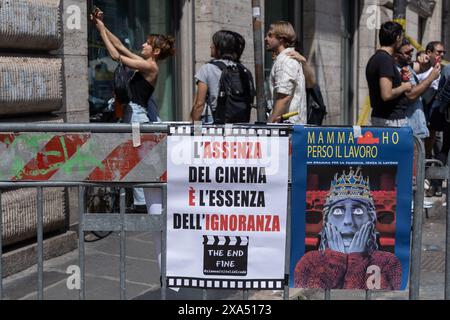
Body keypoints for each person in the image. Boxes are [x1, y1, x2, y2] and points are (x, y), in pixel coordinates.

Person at [91, 9, 174, 271]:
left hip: (136, 116)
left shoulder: (150, 66)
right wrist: (101, 25)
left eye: (147, 43)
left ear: (156, 52)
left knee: (139, 159)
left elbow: (116, 55)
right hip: (133, 113)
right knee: (137, 158)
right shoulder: (145, 61)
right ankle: (140, 202)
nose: (142, 45)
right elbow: (119, 46)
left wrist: (101, 30)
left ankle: (142, 205)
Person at [294, 167, 402, 290]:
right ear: (326, 220)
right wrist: (336, 259)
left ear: (371, 219)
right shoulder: (308, 262)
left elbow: (381, 296)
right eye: (338, 211)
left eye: (358, 210)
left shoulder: (389, 262)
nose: (348, 221)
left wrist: (357, 261)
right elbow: (313, 295)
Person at [190, 30, 254, 124]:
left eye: (213, 43)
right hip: (238, 123)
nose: (210, 46)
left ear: (220, 47)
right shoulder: (243, 70)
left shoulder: (207, 68)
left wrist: (194, 129)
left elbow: (199, 104)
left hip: (213, 122)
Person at [366, 21, 412, 127]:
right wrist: (404, 86)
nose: (402, 41)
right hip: (390, 120)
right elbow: (386, 95)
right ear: (397, 38)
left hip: (385, 118)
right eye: (401, 37)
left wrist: (400, 79)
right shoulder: (384, 59)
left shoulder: (378, 58)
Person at [394, 39, 441, 138]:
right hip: (409, 129)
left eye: (412, 51)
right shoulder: (397, 69)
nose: (411, 55)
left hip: (416, 127)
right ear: (396, 54)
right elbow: (411, 95)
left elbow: (423, 67)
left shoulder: (407, 65)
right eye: (407, 53)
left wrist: (429, 60)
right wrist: (431, 78)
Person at [265, 21, 307, 124]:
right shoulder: (286, 59)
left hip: (286, 128)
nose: (266, 39)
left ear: (281, 39)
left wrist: (269, 124)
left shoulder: (285, 61)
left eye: (270, 36)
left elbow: (284, 97)